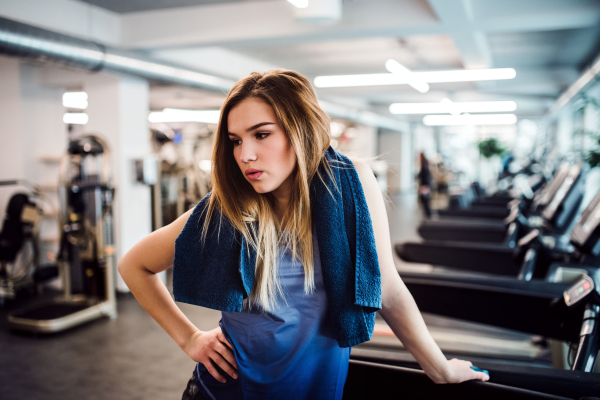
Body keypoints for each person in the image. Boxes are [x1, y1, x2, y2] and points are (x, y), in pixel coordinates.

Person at [118, 69, 488, 400]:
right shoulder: (226, 210)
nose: (246, 154)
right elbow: (134, 265)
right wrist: (190, 338)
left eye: (261, 134)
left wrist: (440, 369)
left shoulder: (351, 184)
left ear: (300, 130)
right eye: (235, 140)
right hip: (227, 392)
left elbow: (385, 286)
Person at [418, 152, 433, 218]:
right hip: (426, 184)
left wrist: (423, 185)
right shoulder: (425, 164)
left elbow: (424, 176)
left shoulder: (424, 165)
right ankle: (427, 213)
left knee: (425, 198)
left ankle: (428, 213)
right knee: (425, 198)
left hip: (425, 184)